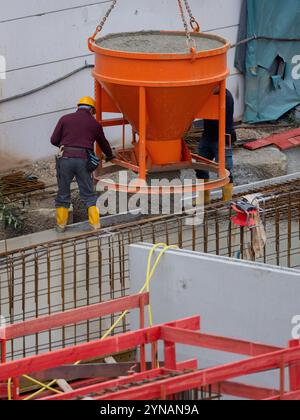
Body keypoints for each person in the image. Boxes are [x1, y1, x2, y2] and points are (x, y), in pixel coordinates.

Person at [51, 96, 114, 232]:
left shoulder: (65, 118)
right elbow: (103, 143)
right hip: (83, 161)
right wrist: (109, 155)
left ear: (78, 107)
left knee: (63, 193)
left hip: (65, 159)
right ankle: (95, 225)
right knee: (88, 194)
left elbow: (54, 139)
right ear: (91, 110)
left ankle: (61, 226)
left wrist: (65, 145)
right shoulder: (94, 124)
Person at [196, 89, 236, 204]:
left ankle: (226, 201)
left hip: (224, 137)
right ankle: (204, 198)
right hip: (207, 136)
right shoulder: (207, 94)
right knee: (200, 167)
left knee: (225, 169)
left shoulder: (226, 97)